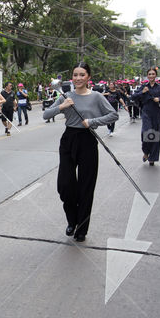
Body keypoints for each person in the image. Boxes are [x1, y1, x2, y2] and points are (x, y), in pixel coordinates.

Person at [43, 62, 118, 242]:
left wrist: (92, 122)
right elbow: (46, 114)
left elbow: (113, 115)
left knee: (86, 186)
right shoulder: (65, 96)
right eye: (75, 75)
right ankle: (72, 220)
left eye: (82, 75)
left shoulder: (97, 96)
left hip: (87, 140)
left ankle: (81, 228)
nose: (78, 78)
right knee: (65, 185)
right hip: (69, 140)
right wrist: (62, 106)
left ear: (88, 77)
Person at [132, 68, 160, 166]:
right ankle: (146, 151)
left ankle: (153, 157)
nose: (151, 76)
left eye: (153, 74)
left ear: (156, 75)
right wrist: (142, 92)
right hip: (146, 112)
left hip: (157, 113)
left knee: (156, 135)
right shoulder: (143, 86)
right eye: (149, 74)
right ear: (147, 76)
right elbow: (133, 97)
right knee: (146, 133)